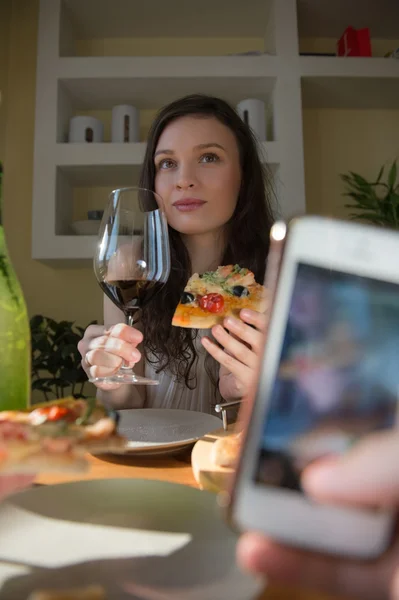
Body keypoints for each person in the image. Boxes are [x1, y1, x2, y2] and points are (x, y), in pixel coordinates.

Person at [78, 94, 275, 413]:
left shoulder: (281, 269)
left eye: (209, 157)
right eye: (167, 163)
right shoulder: (129, 264)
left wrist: (246, 393)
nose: (184, 181)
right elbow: (128, 406)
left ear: (244, 175)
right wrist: (110, 378)